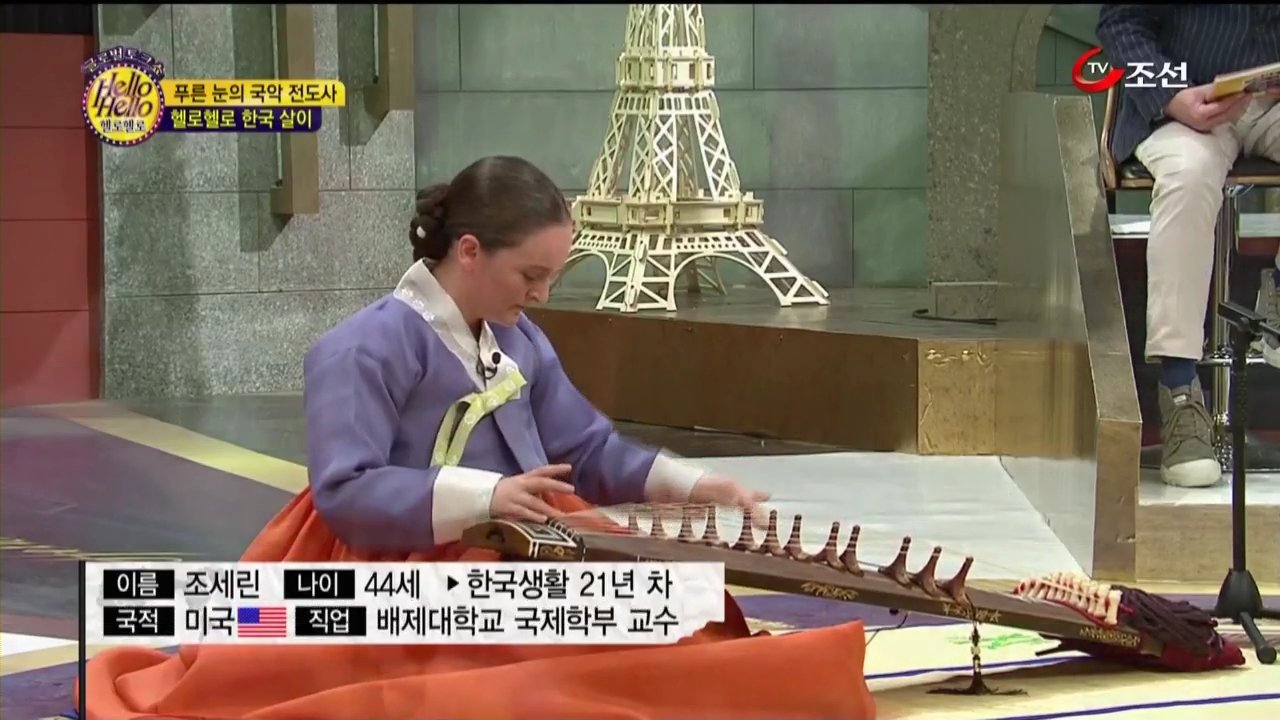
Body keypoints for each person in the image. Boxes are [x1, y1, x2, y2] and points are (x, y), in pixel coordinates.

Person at [78, 156, 876, 719]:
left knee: (685, 619)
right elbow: (346, 491)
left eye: (551, 276)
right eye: (531, 275)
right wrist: (488, 495)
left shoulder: (517, 338)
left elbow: (586, 450)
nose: (543, 294)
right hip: (393, 559)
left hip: (522, 539)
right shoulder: (361, 349)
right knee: (527, 686)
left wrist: (699, 486)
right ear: (468, 251)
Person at [1096, 5, 1280, 489]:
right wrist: (1168, 94)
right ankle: (1179, 393)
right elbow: (1119, 23)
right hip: (1185, 101)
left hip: (1273, 105)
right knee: (1190, 175)